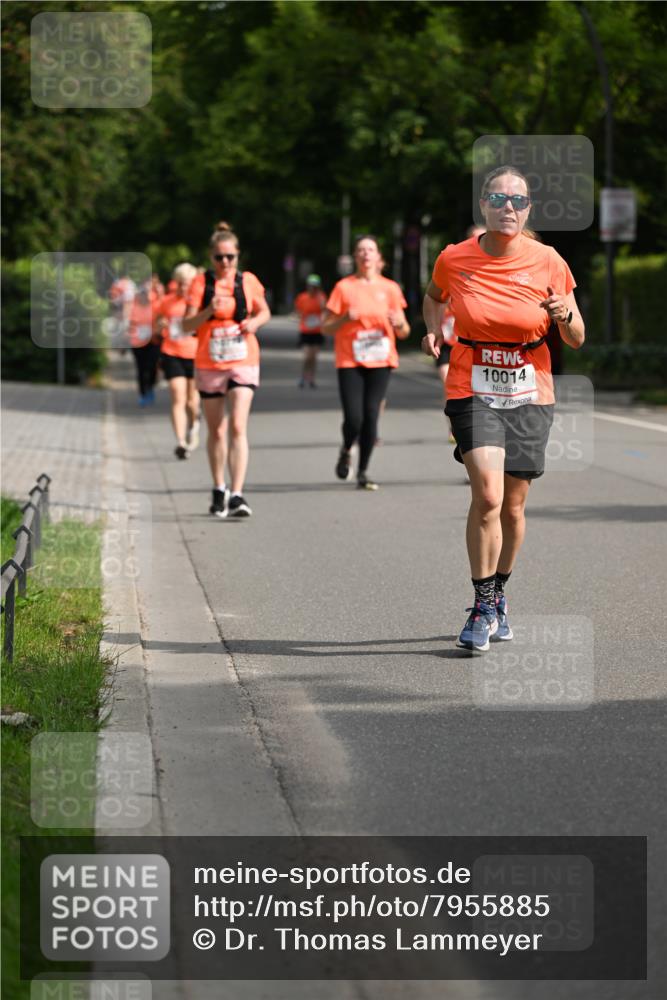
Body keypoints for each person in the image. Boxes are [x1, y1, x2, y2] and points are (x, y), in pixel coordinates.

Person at [422, 165, 584, 651]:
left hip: (530, 389)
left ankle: (498, 593)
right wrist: (432, 329)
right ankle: (481, 605)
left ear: (528, 209)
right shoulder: (454, 258)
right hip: (472, 384)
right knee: (488, 497)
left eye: (518, 200)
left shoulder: (548, 261)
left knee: (513, 507)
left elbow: (577, 337)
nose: (507, 207)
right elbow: (433, 298)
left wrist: (564, 315)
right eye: (498, 199)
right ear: (483, 205)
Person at [182, 221, 271, 518]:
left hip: (243, 360)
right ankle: (218, 487)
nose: (225, 262)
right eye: (219, 257)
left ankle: (237, 494)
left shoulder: (248, 281)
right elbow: (186, 324)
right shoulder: (200, 284)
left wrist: (253, 323)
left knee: (237, 427)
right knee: (217, 430)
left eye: (230, 257)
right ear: (211, 257)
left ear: (237, 256)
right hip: (210, 362)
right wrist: (208, 310)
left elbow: (264, 311)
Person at [322, 235, 410, 490]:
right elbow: (326, 327)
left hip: (381, 359)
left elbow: (404, 331)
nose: (365, 254)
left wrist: (399, 324)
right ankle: (346, 448)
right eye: (361, 250)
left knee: (371, 415)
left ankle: (362, 471)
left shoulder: (390, 289)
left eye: (370, 249)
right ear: (355, 257)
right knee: (354, 418)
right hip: (350, 360)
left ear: (378, 256)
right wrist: (343, 319)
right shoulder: (344, 287)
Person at [436, 226, 485, 444]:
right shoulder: (455, 266)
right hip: (450, 343)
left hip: (478, 346)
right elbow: (435, 297)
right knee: (448, 381)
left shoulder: (493, 273)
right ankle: (453, 426)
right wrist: (434, 327)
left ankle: (474, 427)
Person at [156, 263, 201, 460]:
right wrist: (161, 324)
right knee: (177, 396)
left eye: (187, 284)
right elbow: (157, 324)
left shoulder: (199, 303)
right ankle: (181, 442)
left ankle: (194, 423)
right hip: (172, 351)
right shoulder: (167, 302)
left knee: (191, 401)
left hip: (195, 354)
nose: (183, 287)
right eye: (180, 283)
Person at [127, 281, 161, 406]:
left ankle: (150, 387)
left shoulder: (155, 306)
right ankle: (143, 393)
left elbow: (160, 320)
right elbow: (130, 325)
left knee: (152, 367)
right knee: (141, 369)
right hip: (138, 343)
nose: (144, 297)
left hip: (153, 342)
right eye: (142, 294)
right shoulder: (133, 308)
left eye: (146, 294)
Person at [294, 274, 327, 388]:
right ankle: (303, 377)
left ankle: (312, 378)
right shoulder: (302, 297)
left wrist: (322, 318)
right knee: (307, 356)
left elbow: (325, 311)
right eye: (310, 286)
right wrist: (300, 317)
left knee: (313, 357)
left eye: (314, 286)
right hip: (305, 330)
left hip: (317, 331)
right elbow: (298, 311)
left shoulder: (321, 297)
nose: (312, 288)